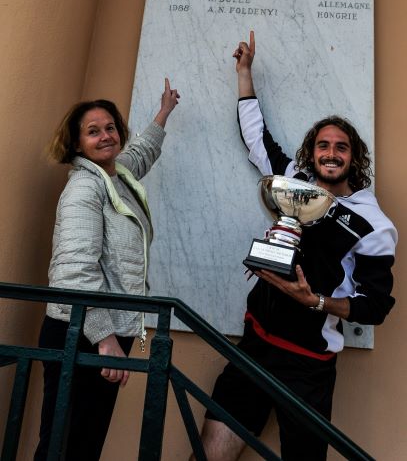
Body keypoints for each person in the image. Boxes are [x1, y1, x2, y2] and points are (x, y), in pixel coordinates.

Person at [194, 32, 397, 461]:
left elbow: (375, 305)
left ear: (354, 159)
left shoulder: (373, 223)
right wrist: (244, 73)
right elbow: (257, 140)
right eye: (323, 144)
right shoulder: (294, 183)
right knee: (207, 456)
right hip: (254, 345)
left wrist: (318, 301)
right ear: (312, 153)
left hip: (307, 365)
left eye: (341, 147)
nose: (331, 152)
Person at [34, 79, 179, 461]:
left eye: (110, 128)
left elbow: (142, 153)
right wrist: (103, 337)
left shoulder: (116, 175)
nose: (105, 137)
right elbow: (75, 272)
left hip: (105, 330)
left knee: (86, 439)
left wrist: (164, 112)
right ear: (76, 143)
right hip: (79, 332)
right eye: (93, 132)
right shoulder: (85, 188)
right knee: (64, 442)